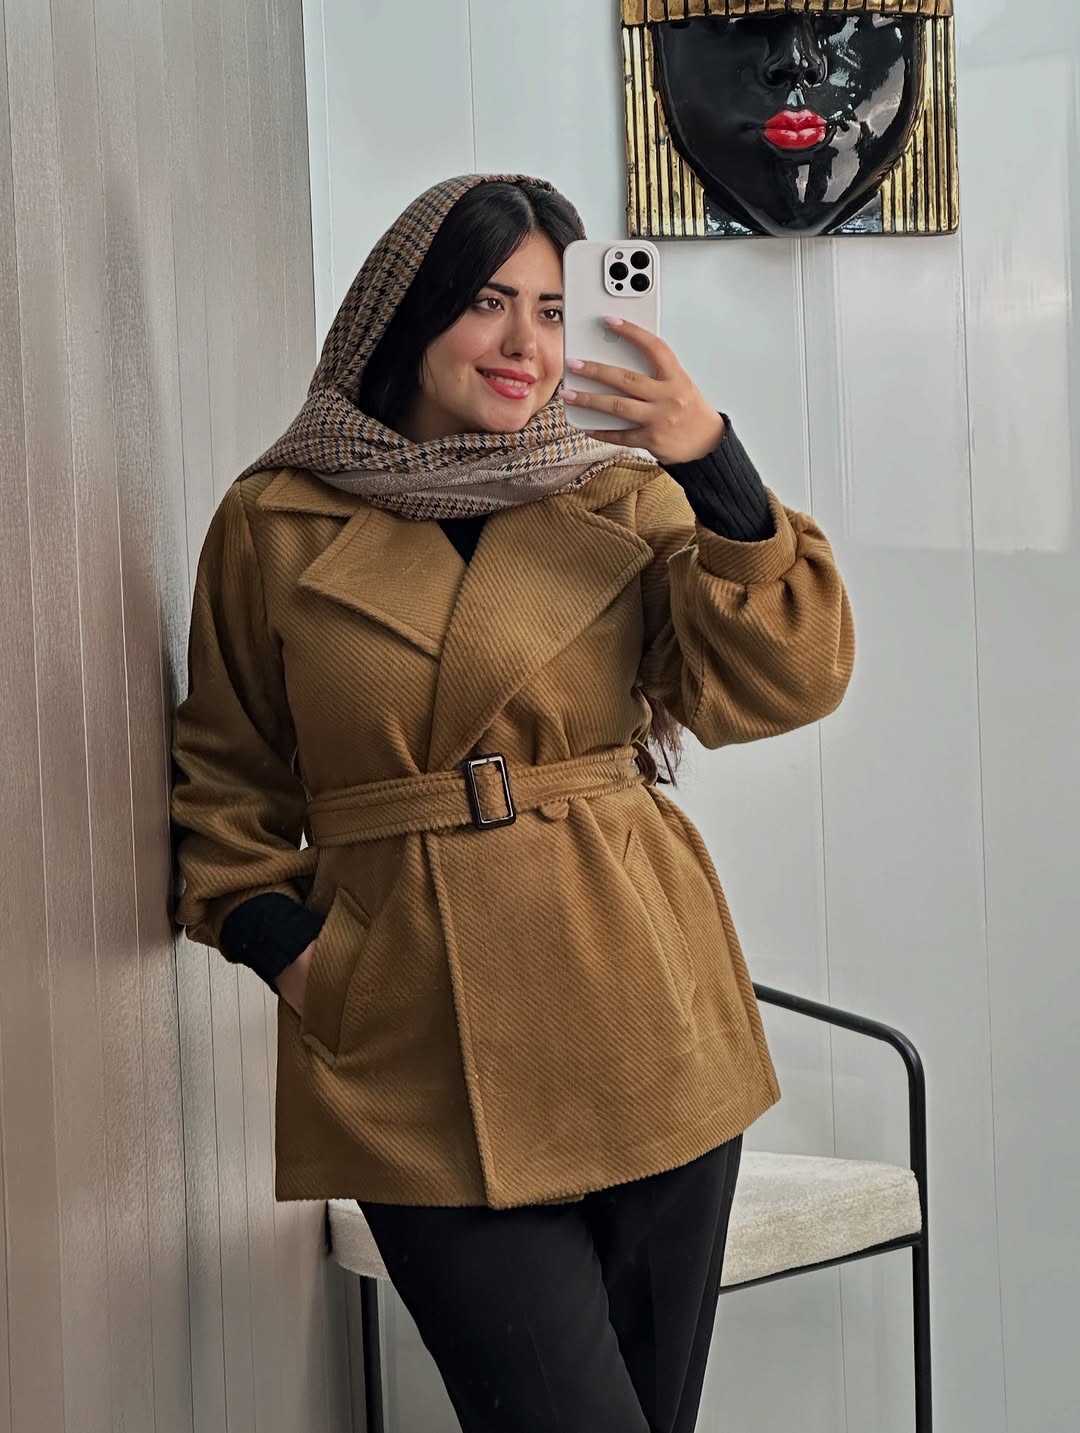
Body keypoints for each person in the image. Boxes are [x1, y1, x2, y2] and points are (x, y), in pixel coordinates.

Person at [171, 172, 854, 1433]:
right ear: (404, 311)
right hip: (414, 1040)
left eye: (551, 308)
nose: (525, 344)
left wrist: (713, 463)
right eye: (487, 301)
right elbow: (224, 780)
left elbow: (787, 679)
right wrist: (304, 958)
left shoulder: (623, 496)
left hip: (645, 1012)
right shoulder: (276, 519)